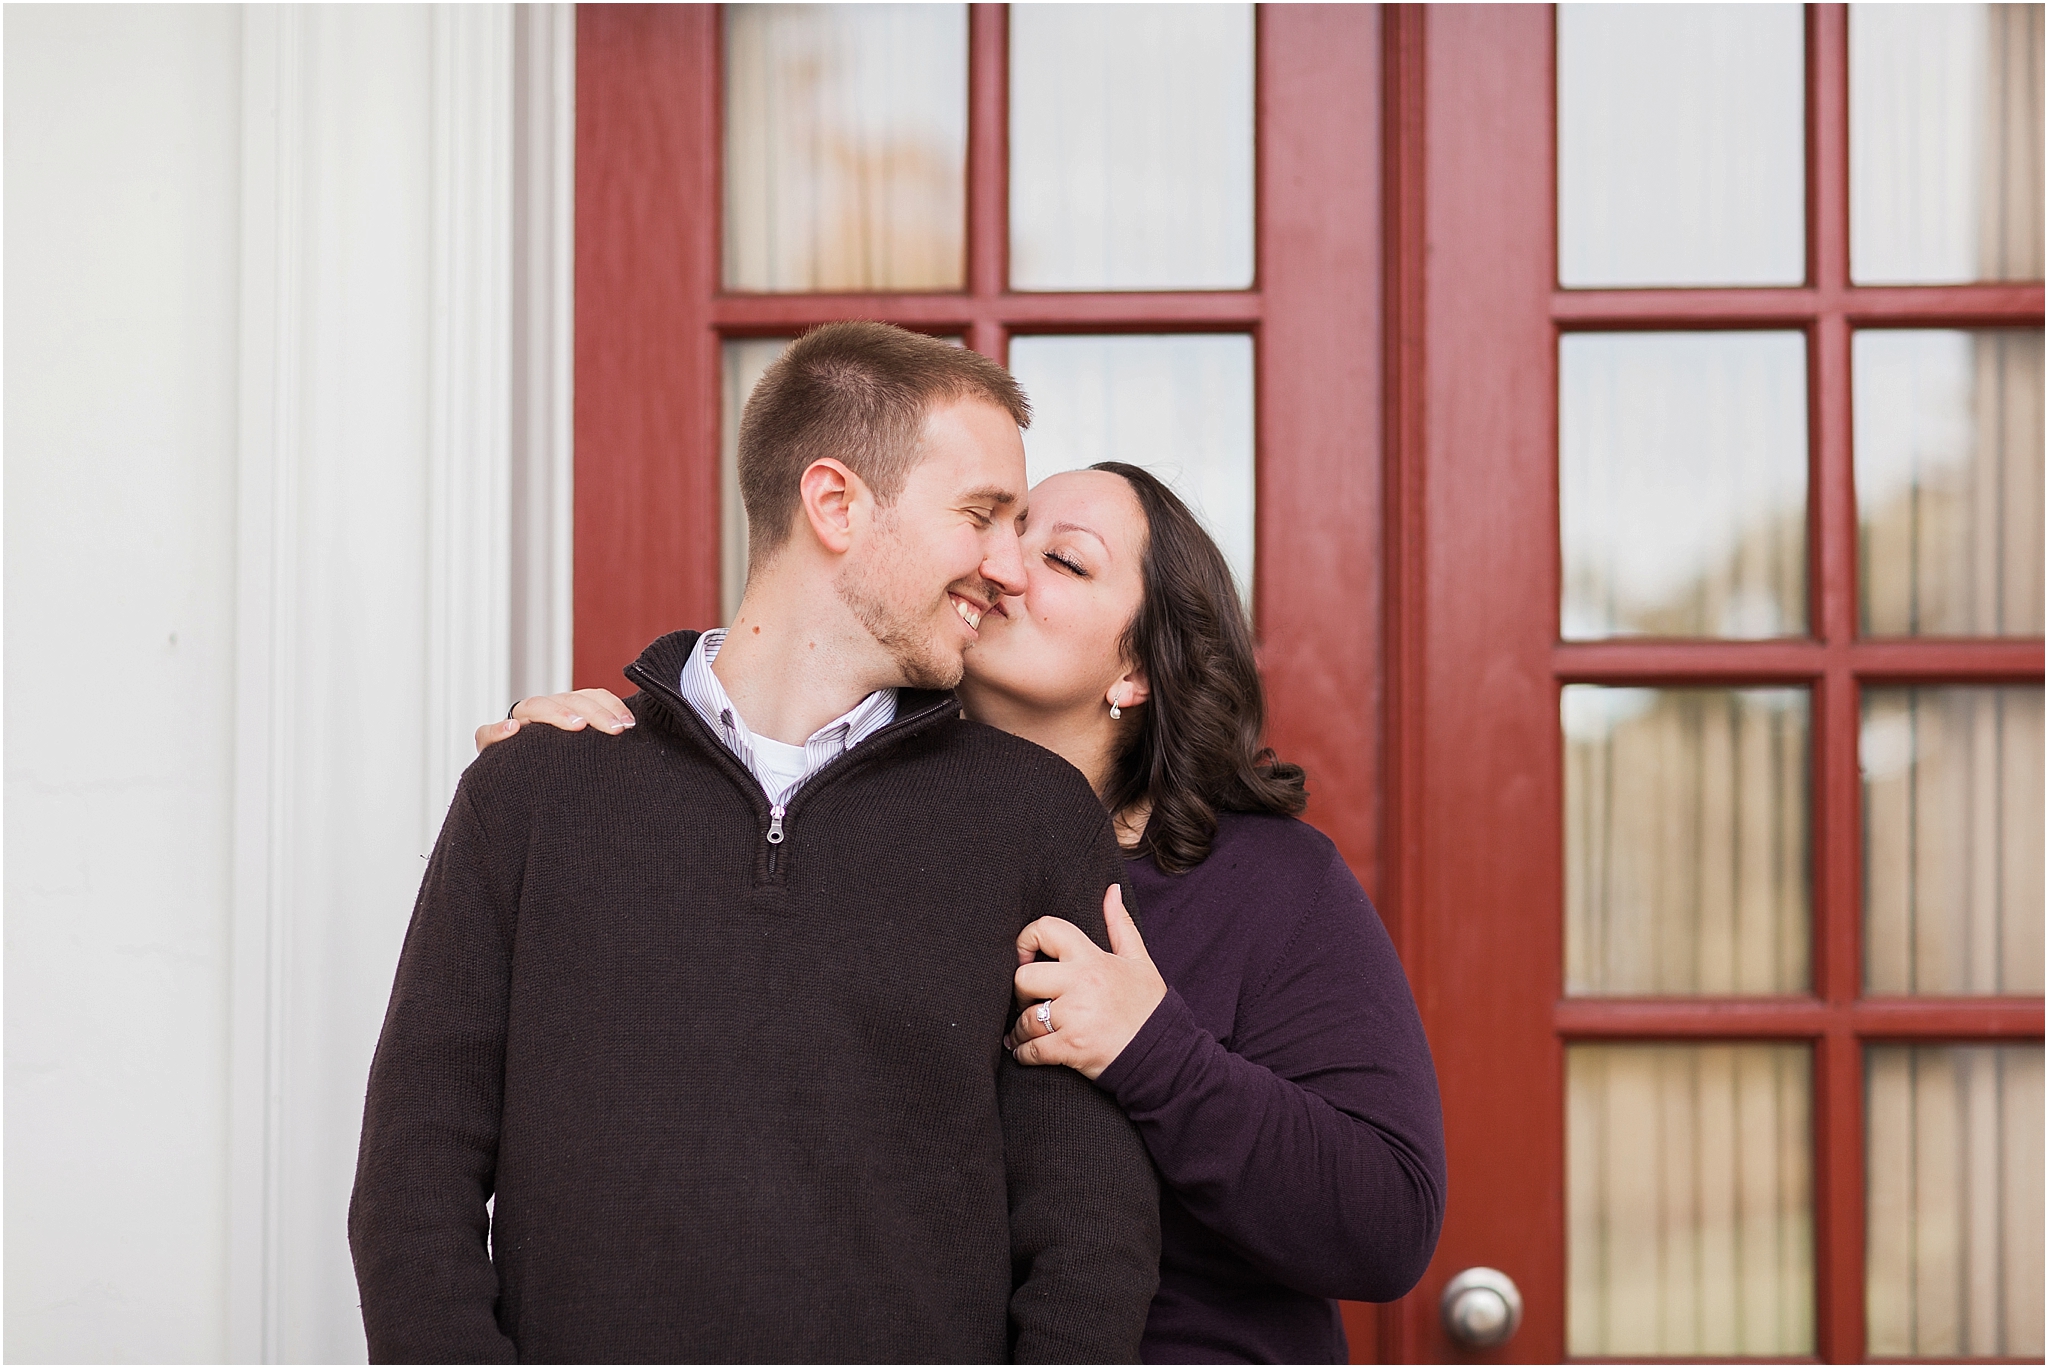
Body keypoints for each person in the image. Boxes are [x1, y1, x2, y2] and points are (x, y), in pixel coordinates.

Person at [491, 458, 1448, 1363]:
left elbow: (1386, 1226)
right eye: (992, 527)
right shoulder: (835, 828)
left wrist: (1153, 1048)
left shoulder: (1268, 884)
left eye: (1063, 559)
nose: (1002, 566)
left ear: (1139, 674)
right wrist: (600, 772)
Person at [349, 322, 1162, 1364]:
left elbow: (1089, 1233)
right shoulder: (533, 792)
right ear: (834, 504)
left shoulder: (1031, 818)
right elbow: (414, 1178)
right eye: (979, 516)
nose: (1007, 567)